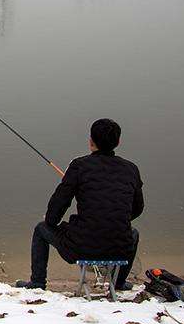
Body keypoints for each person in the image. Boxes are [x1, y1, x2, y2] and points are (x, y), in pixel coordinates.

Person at [14, 118, 143, 291]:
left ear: (91, 141)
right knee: (132, 233)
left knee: (40, 229)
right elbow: (137, 208)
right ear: (118, 142)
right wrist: (114, 219)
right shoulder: (131, 169)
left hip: (81, 248)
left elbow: (59, 202)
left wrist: (50, 221)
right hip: (119, 249)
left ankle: (37, 283)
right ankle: (118, 282)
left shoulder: (79, 166)